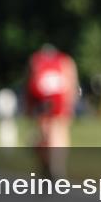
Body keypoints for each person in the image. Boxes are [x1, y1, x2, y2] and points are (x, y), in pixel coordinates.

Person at [26, 44, 78, 179]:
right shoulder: (64, 61)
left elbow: (30, 85)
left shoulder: (37, 60)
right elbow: (72, 83)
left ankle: (53, 167)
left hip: (45, 102)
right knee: (55, 133)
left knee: (48, 133)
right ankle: (53, 166)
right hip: (55, 102)